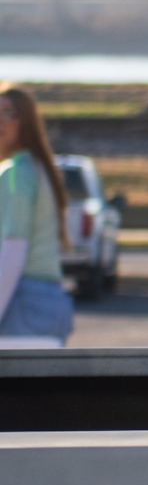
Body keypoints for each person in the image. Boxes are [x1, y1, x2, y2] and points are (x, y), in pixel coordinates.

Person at [0, 85, 75, 346]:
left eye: (9, 113)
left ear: (26, 122)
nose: (1, 122)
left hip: (22, 304)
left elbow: (12, 249)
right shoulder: (38, 168)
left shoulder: (14, 174)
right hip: (50, 303)